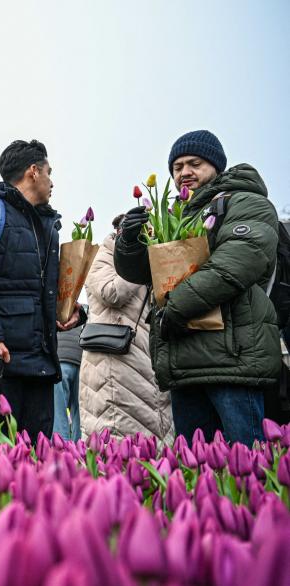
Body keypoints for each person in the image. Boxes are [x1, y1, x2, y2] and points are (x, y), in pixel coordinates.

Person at [113, 130, 281, 445]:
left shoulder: (245, 202)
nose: (184, 172)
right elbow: (139, 273)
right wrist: (129, 242)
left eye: (195, 163)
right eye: (177, 167)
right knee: (196, 473)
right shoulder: (170, 216)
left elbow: (236, 264)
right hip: (183, 360)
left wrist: (174, 308)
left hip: (233, 360)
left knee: (246, 468)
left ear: (216, 166)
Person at [0, 140, 83, 438]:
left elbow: (45, 288)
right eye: (48, 172)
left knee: (37, 456)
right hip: (3, 359)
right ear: (33, 171)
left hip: (42, 360)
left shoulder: (48, 225)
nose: (52, 181)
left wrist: (72, 312)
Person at [80, 217, 173, 440]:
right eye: (141, 231)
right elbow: (111, 292)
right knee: (119, 435)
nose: (148, 235)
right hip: (116, 360)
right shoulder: (106, 252)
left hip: (148, 355)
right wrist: (137, 258)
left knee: (155, 433)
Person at [53, 319, 83, 441]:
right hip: (83, 358)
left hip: (59, 357)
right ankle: (82, 453)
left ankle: (62, 453)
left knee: (59, 414)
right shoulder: (85, 305)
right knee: (80, 413)